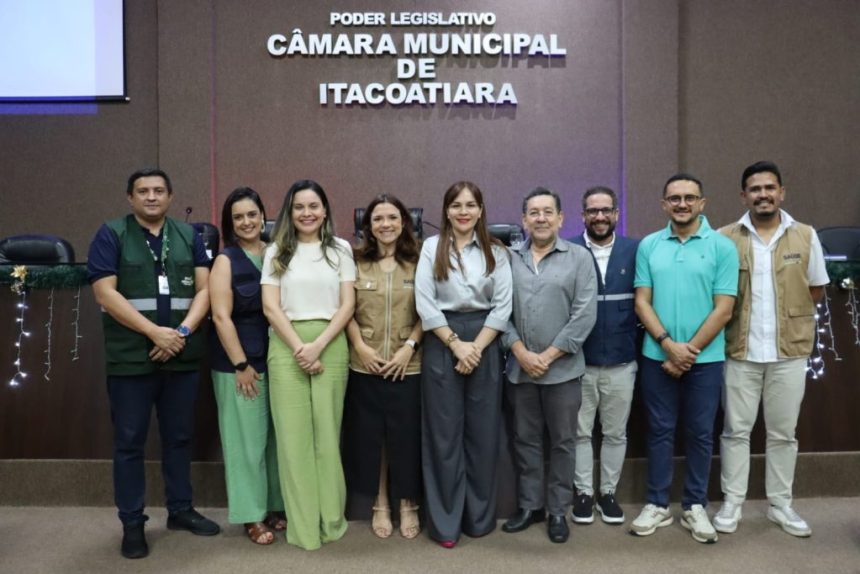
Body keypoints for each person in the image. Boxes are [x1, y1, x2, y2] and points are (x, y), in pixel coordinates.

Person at [87, 168, 219, 559]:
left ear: (170, 196)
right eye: (143, 191)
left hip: (181, 356)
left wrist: (180, 333)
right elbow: (105, 294)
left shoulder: (188, 235)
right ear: (130, 197)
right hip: (131, 360)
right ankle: (132, 522)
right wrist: (154, 333)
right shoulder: (111, 234)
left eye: (159, 190)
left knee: (179, 438)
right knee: (130, 443)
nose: (151, 196)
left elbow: (205, 290)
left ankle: (180, 510)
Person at [713, 161, 828, 538]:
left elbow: (816, 289)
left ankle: (781, 504)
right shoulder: (725, 237)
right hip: (739, 351)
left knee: (783, 433)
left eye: (769, 188)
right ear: (743, 195)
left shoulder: (805, 235)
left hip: (788, 353)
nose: (763, 194)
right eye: (755, 189)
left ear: (781, 192)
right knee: (735, 431)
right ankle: (733, 501)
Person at [630, 173, 739, 544]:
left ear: (702, 203)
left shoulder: (722, 247)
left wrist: (686, 352)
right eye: (674, 198)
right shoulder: (649, 245)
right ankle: (657, 504)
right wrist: (668, 346)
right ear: (664, 204)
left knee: (700, 433)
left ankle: (695, 505)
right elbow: (642, 301)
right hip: (656, 356)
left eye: (689, 197)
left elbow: (724, 308)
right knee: (659, 431)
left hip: (705, 360)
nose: (682, 204)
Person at [415, 181, 512, 548]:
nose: (463, 211)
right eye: (456, 205)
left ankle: (478, 518)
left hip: (485, 341)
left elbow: (503, 305)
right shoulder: (431, 248)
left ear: (481, 210)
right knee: (443, 437)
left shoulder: (496, 251)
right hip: (443, 340)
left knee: (483, 436)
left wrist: (475, 348)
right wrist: (457, 345)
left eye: (470, 205)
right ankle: (445, 524)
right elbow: (425, 302)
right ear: (447, 210)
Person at [261, 179, 356, 550]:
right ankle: (303, 527)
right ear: (289, 211)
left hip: (330, 344)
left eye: (313, 206)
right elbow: (271, 307)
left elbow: (347, 305)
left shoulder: (341, 249)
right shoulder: (276, 251)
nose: (307, 213)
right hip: (287, 345)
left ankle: (331, 521)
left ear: (325, 210)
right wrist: (301, 348)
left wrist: (317, 346)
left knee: (327, 437)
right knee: (293, 440)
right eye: (299, 207)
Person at [501, 187, 597, 543]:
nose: (540, 218)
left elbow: (584, 315)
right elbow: (499, 311)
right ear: (524, 220)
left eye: (547, 212)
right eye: (534, 213)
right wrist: (521, 352)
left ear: (560, 218)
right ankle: (530, 506)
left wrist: (548, 356)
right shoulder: (508, 259)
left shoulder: (579, 258)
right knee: (525, 441)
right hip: (520, 370)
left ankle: (558, 510)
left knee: (563, 443)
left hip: (563, 372)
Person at [342, 194, 423, 540]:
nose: (385, 224)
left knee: (406, 437)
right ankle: (380, 502)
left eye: (392, 217)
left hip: (409, 364)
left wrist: (409, 347)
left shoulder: (419, 261)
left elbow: (430, 311)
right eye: (378, 219)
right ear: (368, 226)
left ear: (404, 222)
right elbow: (344, 308)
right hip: (366, 365)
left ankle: (408, 503)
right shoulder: (355, 261)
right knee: (373, 439)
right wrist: (360, 347)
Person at [209, 187, 286, 545]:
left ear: (263, 216)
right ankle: (250, 515)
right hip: (239, 366)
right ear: (230, 222)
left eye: (252, 214)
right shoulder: (226, 261)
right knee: (246, 443)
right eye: (238, 217)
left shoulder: (276, 253)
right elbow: (221, 317)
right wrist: (240, 363)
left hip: (276, 359)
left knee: (272, 440)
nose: (246, 222)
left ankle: (272, 506)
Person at [570, 186, 639, 525]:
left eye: (606, 210)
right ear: (583, 215)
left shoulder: (635, 250)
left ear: (616, 214)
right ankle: (584, 494)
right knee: (580, 433)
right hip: (578, 363)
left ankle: (608, 493)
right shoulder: (569, 250)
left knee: (615, 433)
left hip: (622, 362)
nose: (599, 216)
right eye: (592, 211)